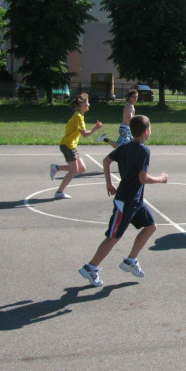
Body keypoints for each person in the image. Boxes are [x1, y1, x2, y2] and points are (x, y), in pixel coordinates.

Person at [79, 115, 168, 287]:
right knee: (114, 237)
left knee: (151, 226)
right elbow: (143, 178)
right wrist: (161, 179)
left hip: (135, 201)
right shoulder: (143, 151)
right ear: (146, 131)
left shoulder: (126, 147)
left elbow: (106, 161)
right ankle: (90, 267)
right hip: (126, 201)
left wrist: (109, 183)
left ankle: (131, 260)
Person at [50, 93, 102, 199]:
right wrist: (95, 128)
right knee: (73, 170)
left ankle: (56, 167)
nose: (89, 104)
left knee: (81, 168)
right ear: (81, 103)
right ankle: (59, 192)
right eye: (87, 102)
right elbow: (84, 134)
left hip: (71, 146)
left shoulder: (80, 115)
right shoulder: (78, 116)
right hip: (68, 145)